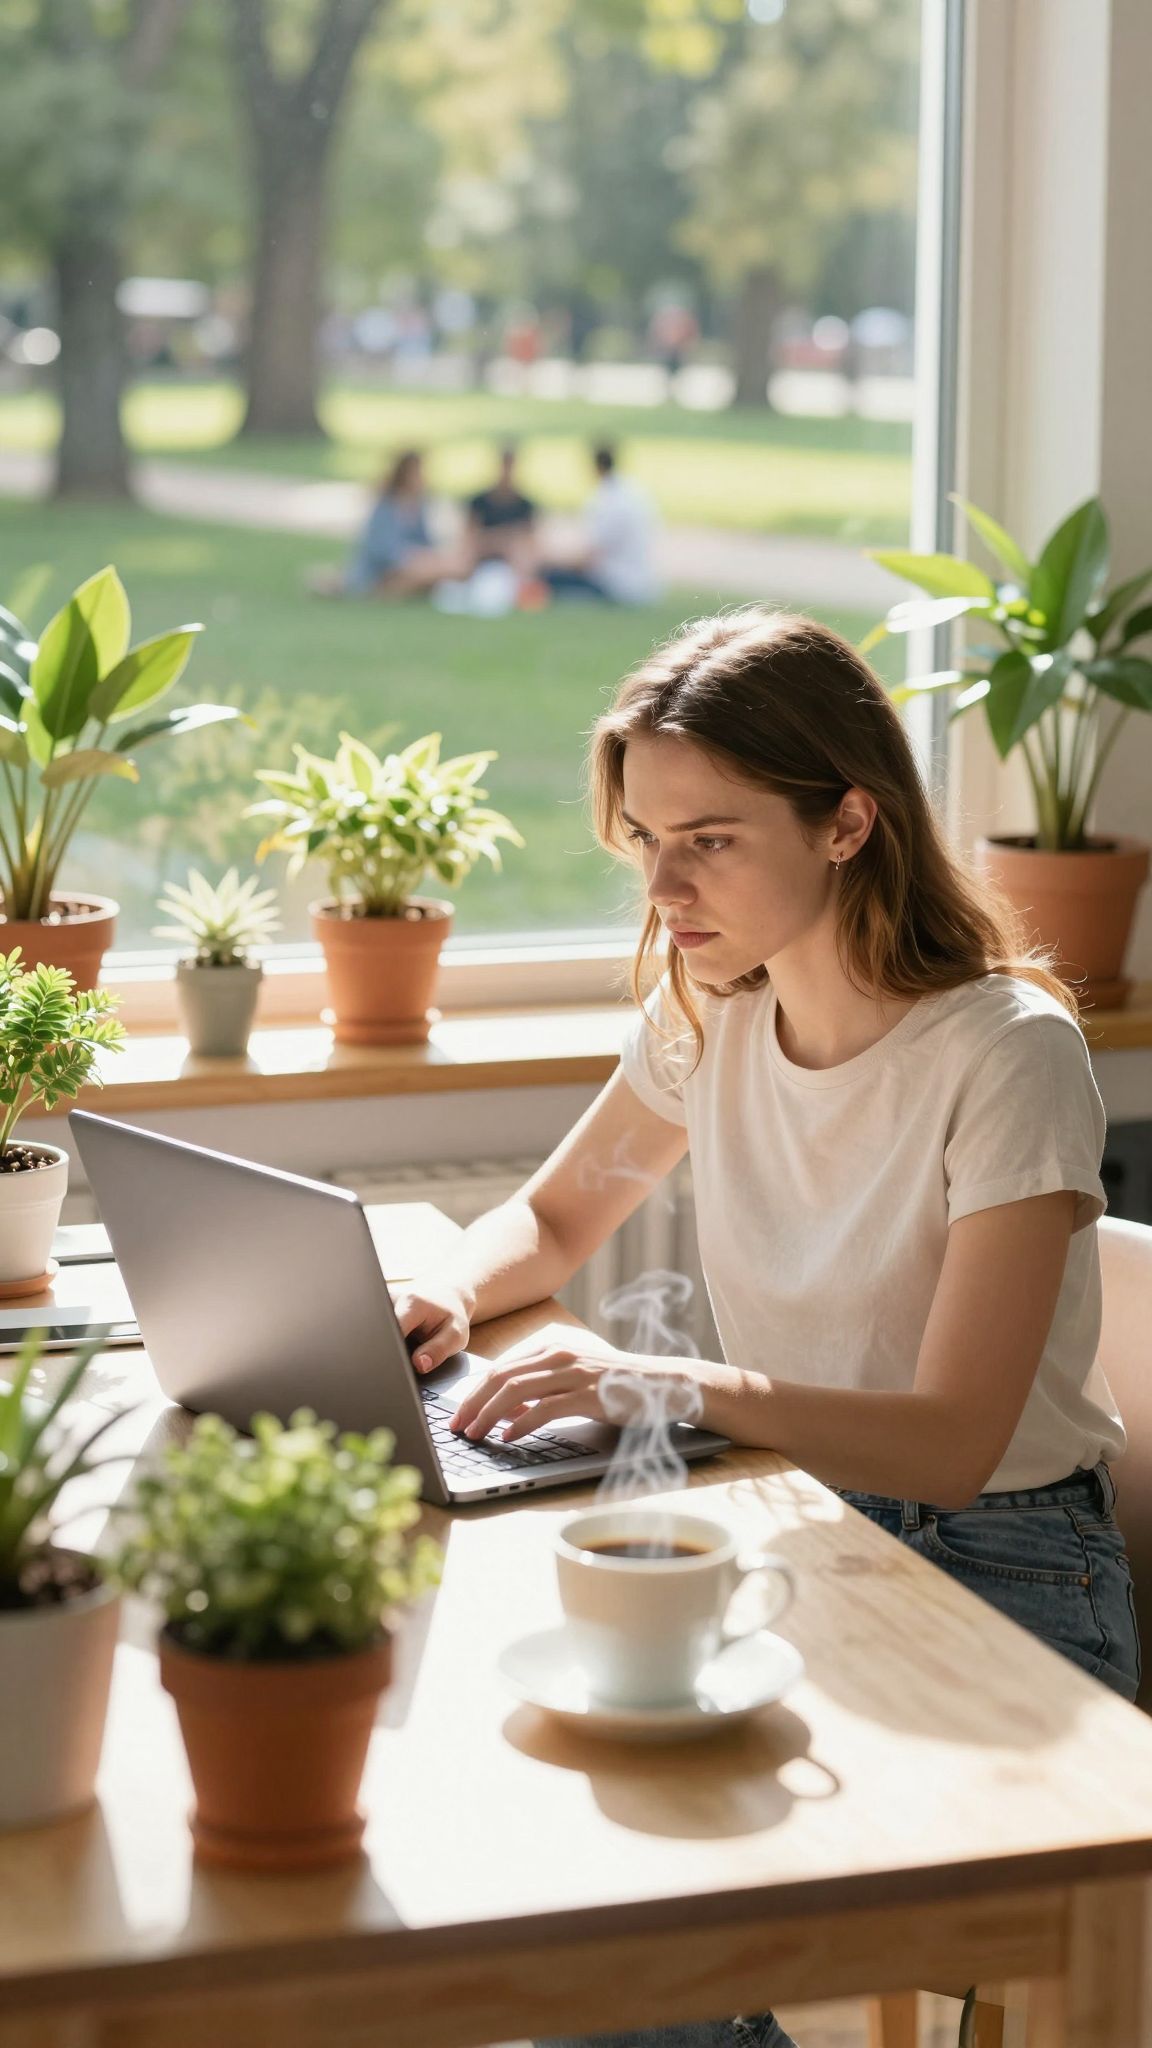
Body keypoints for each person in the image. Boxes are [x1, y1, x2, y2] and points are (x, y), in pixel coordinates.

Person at [392, 608, 1141, 2048]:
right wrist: (444, 1293)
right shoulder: (713, 1011)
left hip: (1004, 1576)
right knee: (559, 1882)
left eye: (711, 840)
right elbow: (554, 1227)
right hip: (806, 1530)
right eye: (646, 840)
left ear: (851, 819)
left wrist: (660, 1383)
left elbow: (951, 1441)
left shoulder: (1007, 1055)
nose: (665, 886)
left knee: (633, 1964)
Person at [540, 444, 659, 604]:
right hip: (642, 581)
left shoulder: (606, 501)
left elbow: (590, 556)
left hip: (616, 583)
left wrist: (552, 560)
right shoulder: (633, 492)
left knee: (549, 578)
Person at [340, 450, 464, 598]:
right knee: (429, 570)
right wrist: (411, 556)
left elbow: (425, 541)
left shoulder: (419, 505)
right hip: (384, 567)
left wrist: (428, 555)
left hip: (413, 562)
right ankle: (383, 590)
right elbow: (380, 548)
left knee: (454, 566)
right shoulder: (386, 506)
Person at [464, 444, 538, 578]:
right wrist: (502, 540)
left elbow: (530, 542)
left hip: (514, 563)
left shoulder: (525, 505)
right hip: (481, 561)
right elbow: (469, 541)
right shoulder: (479, 502)